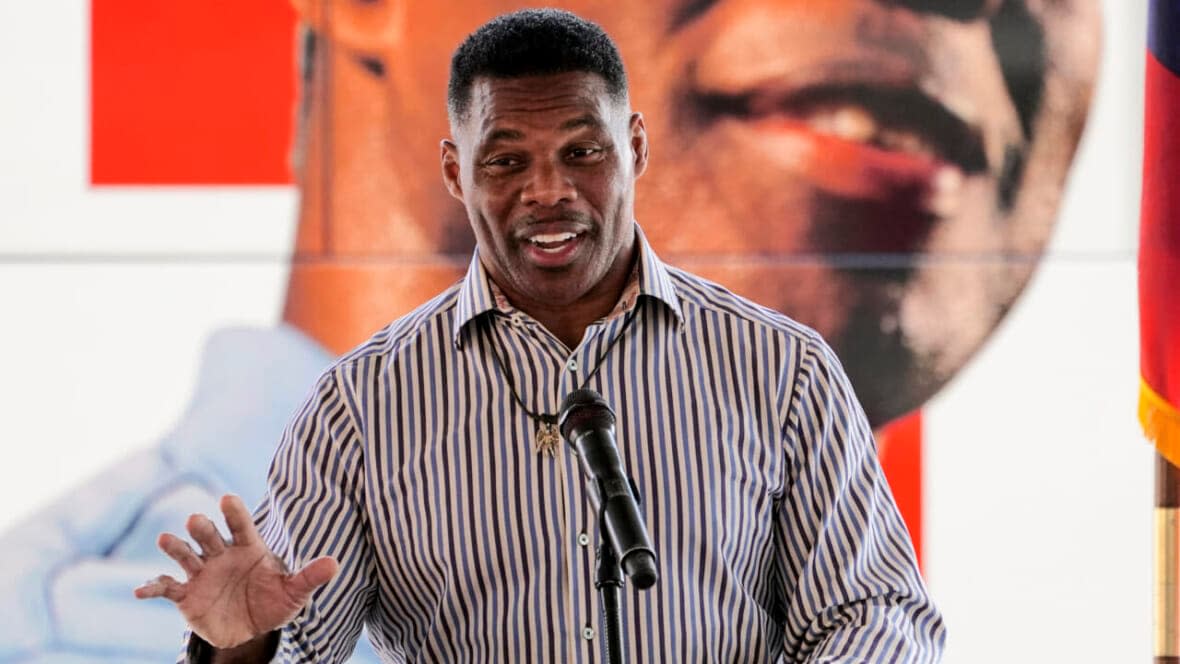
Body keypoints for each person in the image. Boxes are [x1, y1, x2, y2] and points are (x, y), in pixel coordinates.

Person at [134, 9, 944, 662]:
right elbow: (296, 641)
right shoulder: (366, 404)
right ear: (457, 173)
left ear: (634, 149)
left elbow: (873, 612)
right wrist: (243, 648)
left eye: (582, 152)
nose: (548, 191)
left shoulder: (781, 369)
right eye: (505, 162)